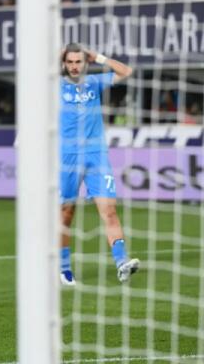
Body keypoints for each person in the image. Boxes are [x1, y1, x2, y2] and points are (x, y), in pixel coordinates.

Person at [59, 43, 140, 286]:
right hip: (67, 156)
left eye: (78, 61)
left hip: (97, 155)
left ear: (85, 63)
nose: (74, 66)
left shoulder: (94, 82)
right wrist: (58, 55)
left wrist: (99, 58)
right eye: (70, 62)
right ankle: (64, 269)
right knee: (66, 213)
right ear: (64, 63)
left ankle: (122, 262)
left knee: (109, 211)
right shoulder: (55, 85)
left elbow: (126, 71)